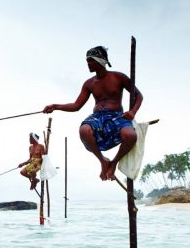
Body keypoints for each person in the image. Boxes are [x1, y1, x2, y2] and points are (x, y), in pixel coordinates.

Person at [43, 46, 143, 181]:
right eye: (87, 61)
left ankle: (113, 163)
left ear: (100, 61)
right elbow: (76, 106)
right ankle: (102, 161)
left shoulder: (118, 77)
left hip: (116, 115)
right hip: (98, 117)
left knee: (130, 135)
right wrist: (55, 106)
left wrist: (133, 112)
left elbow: (139, 96)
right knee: (84, 130)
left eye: (90, 61)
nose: (88, 64)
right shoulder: (89, 83)